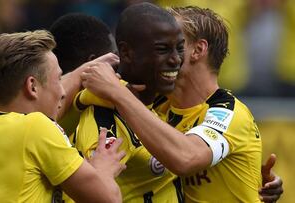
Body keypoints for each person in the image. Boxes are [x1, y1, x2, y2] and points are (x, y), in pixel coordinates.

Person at [80, 6, 282, 203]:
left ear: (198, 50)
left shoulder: (229, 113)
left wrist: (118, 94)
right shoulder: (154, 102)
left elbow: (186, 159)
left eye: (176, 43)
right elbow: (60, 102)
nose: (166, 52)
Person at [0, 30, 125, 202]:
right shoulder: (35, 127)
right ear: (32, 86)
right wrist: (103, 169)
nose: (62, 92)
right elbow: (109, 199)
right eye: (58, 79)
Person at [73, 3, 185, 202]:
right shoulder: (105, 122)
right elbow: (95, 194)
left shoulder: (163, 103)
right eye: (162, 49)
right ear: (126, 53)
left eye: (180, 48)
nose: (176, 59)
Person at [49, 13, 118, 135]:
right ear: (93, 61)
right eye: (112, 55)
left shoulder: (32, 110)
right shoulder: (107, 100)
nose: (117, 63)